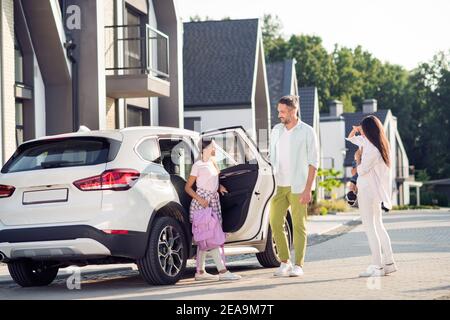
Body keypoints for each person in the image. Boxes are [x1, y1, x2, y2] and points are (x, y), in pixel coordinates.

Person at [269, 95, 319, 277]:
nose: (279, 115)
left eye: (282, 111)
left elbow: (314, 162)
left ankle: (299, 265)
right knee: (274, 221)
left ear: (293, 111)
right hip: (278, 185)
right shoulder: (276, 130)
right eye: (279, 111)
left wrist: (308, 189)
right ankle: (285, 262)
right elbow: (271, 157)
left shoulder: (307, 131)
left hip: (299, 185)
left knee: (299, 225)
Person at [346, 115, 397, 277]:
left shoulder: (373, 149)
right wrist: (355, 130)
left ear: (368, 130)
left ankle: (377, 266)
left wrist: (357, 159)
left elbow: (361, 170)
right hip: (372, 190)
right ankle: (388, 263)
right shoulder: (371, 143)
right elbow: (351, 139)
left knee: (370, 228)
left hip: (368, 191)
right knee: (378, 225)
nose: (362, 133)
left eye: (363, 129)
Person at [185, 138, 241, 281]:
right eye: (213, 146)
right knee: (212, 237)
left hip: (214, 201)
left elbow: (213, 181)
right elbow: (188, 188)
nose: (215, 148)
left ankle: (200, 272)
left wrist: (219, 187)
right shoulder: (198, 165)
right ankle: (222, 271)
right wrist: (201, 200)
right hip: (202, 203)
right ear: (206, 148)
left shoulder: (212, 162)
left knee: (204, 237)